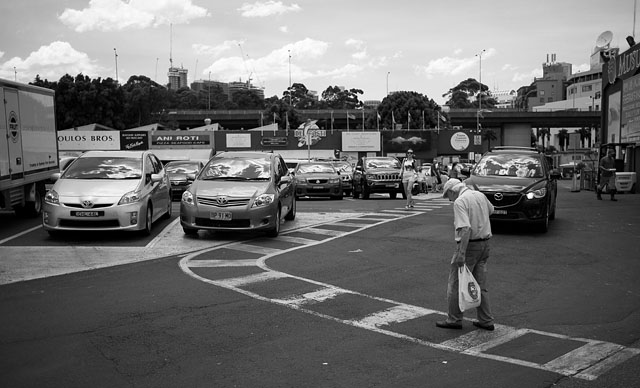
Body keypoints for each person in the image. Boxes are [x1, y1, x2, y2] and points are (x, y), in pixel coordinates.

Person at [436, 178, 496, 331]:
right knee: (480, 284)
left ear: (452, 191)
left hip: (470, 245)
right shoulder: (479, 195)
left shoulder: (460, 201)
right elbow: (491, 210)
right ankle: (486, 319)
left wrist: (461, 253)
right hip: (485, 243)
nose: (449, 200)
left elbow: (465, 229)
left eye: (447, 196)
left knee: (456, 283)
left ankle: (454, 319)